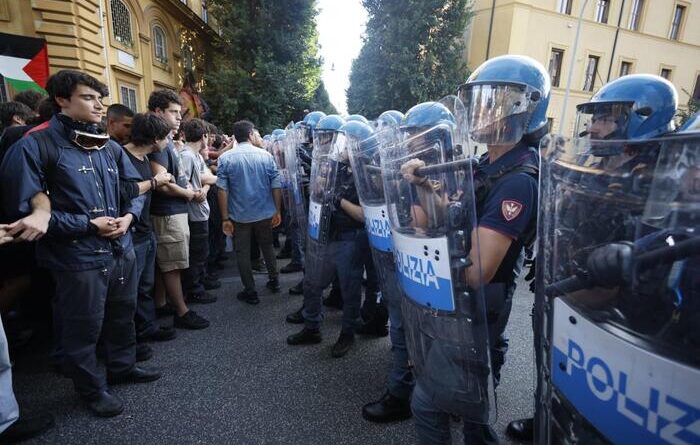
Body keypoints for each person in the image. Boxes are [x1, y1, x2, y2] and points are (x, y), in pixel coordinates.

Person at [508, 74, 680, 442]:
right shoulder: (589, 163)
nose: (594, 128)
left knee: (602, 391)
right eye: (594, 118)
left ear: (640, 118)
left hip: (609, 307)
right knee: (550, 361)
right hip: (560, 288)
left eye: (605, 119)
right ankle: (545, 417)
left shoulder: (657, 184)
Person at [399, 55, 550, 444]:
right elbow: (446, 217)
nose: (484, 110)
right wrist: (422, 187)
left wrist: (431, 253)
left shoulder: (517, 180)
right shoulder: (486, 164)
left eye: (496, 101)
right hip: (463, 305)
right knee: (474, 415)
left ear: (524, 110)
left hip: (478, 310)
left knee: (428, 405)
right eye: (481, 100)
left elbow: (476, 270)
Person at [0, 69, 160, 417]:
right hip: (77, 257)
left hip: (121, 248)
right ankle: (91, 389)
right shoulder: (35, 145)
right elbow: (26, 216)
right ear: (62, 100)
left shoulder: (108, 146)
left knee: (122, 314)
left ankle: (122, 366)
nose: (99, 106)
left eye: (100, 98)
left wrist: (130, 218)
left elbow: (133, 190)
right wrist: (88, 224)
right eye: (89, 98)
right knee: (82, 327)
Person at [286, 114, 370, 358]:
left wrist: (338, 198)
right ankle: (312, 326)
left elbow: (364, 215)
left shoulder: (366, 173)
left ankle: (348, 333)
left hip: (350, 238)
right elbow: (318, 193)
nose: (338, 147)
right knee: (312, 282)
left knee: (349, 288)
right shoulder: (334, 166)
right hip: (326, 234)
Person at [147, 89, 210, 330]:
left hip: (176, 211)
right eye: (173, 112)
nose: (178, 117)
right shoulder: (158, 145)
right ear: (158, 112)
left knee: (170, 263)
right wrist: (189, 194)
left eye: (179, 112)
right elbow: (163, 183)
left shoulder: (169, 142)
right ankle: (182, 311)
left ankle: (163, 302)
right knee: (172, 265)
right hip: (168, 212)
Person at [121, 112, 178, 345]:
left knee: (145, 286)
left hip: (145, 229)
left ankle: (147, 328)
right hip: (130, 233)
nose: (168, 143)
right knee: (128, 292)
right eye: (166, 137)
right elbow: (125, 191)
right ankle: (130, 341)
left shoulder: (145, 159)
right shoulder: (119, 156)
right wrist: (155, 182)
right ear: (155, 138)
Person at [216, 120, 282, 304]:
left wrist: (225, 218)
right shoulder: (266, 156)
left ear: (235, 136)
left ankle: (250, 291)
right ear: (251, 134)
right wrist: (277, 210)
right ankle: (274, 280)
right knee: (267, 247)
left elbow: (222, 190)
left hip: (239, 215)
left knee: (242, 252)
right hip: (264, 212)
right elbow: (276, 185)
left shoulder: (226, 158)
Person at [179, 118, 218, 305]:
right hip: (193, 212)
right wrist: (197, 191)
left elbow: (210, 178)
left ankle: (201, 280)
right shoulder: (186, 155)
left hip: (200, 210)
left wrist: (203, 189)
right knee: (196, 252)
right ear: (203, 136)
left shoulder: (195, 155)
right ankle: (194, 289)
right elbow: (182, 181)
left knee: (202, 250)